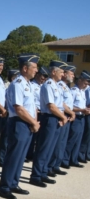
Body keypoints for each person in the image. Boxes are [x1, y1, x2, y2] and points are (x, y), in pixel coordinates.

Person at [0, 54, 40, 199]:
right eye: (34, 67)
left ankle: (13, 183)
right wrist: (33, 122)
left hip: (27, 123)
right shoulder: (18, 84)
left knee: (21, 157)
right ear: (25, 68)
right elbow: (19, 108)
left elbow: (32, 106)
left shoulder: (27, 84)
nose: (37, 70)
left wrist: (35, 121)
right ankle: (4, 187)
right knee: (13, 156)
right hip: (19, 123)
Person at [29, 60, 68, 188]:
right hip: (49, 118)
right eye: (61, 72)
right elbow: (51, 106)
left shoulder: (57, 85)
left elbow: (60, 104)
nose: (63, 75)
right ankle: (36, 176)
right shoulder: (49, 85)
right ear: (53, 72)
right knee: (43, 148)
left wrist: (62, 116)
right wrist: (63, 116)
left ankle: (43, 173)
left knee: (50, 147)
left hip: (56, 118)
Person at [47, 65, 75, 176]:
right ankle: (50, 166)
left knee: (61, 143)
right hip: (60, 116)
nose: (72, 76)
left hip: (66, 116)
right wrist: (66, 114)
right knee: (56, 144)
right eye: (71, 74)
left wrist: (71, 113)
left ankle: (55, 165)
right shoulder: (57, 85)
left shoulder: (65, 87)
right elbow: (59, 104)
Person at [62, 71, 90, 168]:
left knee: (78, 140)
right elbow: (70, 107)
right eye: (85, 83)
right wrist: (81, 110)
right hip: (76, 117)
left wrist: (86, 110)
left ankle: (73, 159)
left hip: (82, 117)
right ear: (80, 80)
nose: (86, 85)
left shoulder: (82, 92)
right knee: (72, 139)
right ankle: (65, 160)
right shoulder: (73, 91)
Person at [0, 69, 19, 166]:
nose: (16, 78)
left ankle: (5, 158)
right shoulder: (8, 86)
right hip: (8, 113)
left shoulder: (15, 86)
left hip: (12, 114)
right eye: (14, 76)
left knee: (9, 138)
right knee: (5, 138)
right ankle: (1, 159)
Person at [26, 67, 49, 161]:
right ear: (38, 75)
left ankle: (34, 153)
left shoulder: (43, 86)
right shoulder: (32, 85)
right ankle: (28, 154)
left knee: (39, 136)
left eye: (46, 77)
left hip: (42, 113)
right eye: (43, 76)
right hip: (35, 112)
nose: (44, 78)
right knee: (32, 135)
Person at [78, 70, 90, 163]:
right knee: (86, 135)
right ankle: (81, 154)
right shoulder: (87, 89)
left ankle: (86, 154)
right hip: (86, 114)